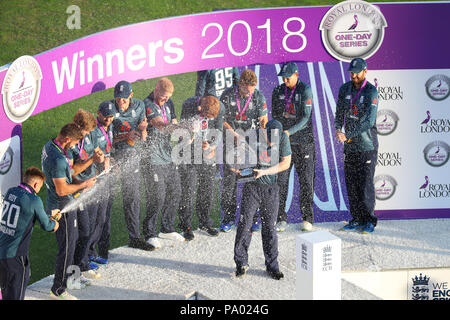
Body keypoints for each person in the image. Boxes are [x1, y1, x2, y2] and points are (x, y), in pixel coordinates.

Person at [41, 122, 96, 300]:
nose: (73, 146)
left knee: (74, 241)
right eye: (72, 143)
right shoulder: (57, 159)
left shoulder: (50, 146)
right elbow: (62, 190)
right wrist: (83, 185)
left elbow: (67, 172)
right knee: (67, 248)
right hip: (61, 207)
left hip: (60, 202)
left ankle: (70, 280)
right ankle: (58, 290)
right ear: (66, 139)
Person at [233, 120, 291, 280]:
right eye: (270, 137)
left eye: (275, 139)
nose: (272, 141)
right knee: (245, 225)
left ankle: (272, 266)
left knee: (270, 227)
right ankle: (241, 263)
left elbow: (285, 163)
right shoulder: (254, 136)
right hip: (252, 187)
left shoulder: (284, 138)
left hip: (271, 188)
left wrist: (265, 172)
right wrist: (237, 165)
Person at [0, 167, 60, 300]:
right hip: (16, 257)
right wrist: (55, 223)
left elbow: (23, 212)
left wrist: (49, 214)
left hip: (2, 253)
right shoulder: (34, 200)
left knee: (6, 293)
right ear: (36, 184)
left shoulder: (11, 192)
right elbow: (48, 226)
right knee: (16, 294)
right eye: (40, 187)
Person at [220, 68, 268, 232]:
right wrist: (232, 133)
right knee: (230, 183)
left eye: (252, 91)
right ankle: (227, 218)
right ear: (240, 84)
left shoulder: (258, 96)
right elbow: (220, 120)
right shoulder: (227, 95)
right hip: (231, 141)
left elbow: (263, 119)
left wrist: (263, 133)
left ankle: (253, 218)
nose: (249, 94)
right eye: (247, 91)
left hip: (250, 143)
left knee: (252, 181)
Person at [334, 58, 379, 234]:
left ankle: (369, 220)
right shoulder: (344, 89)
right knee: (351, 185)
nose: (354, 76)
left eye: (357, 72)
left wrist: (347, 134)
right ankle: (356, 218)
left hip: (367, 146)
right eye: (352, 73)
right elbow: (339, 113)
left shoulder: (371, 91)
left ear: (365, 71)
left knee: (365, 185)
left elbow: (369, 121)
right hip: (350, 146)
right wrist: (338, 129)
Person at [272, 62, 316, 232]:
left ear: (296, 75)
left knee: (305, 182)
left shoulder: (305, 90)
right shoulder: (277, 91)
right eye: (283, 77)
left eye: (288, 77)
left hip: (304, 144)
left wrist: (289, 131)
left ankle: (307, 218)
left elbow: (305, 118)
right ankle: (280, 218)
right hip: (285, 145)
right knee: (281, 182)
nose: (285, 80)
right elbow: (276, 116)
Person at [110, 80, 153, 251]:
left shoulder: (140, 106)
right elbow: (107, 138)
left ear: (131, 96)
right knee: (105, 201)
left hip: (131, 156)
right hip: (112, 158)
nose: (120, 102)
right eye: (118, 98)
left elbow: (143, 127)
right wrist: (126, 136)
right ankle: (92, 250)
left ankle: (134, 237)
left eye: (124, 99)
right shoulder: (110, 110)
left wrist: (142, 130)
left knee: (132, 196)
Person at [141, 78, 185, 248]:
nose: (166, 99)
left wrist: (181, 132)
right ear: (156, 90)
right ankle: (149, 232)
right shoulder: (147, 104)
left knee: (175, 191)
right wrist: (182, 128)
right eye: (163, 96)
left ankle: (166, 228)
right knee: (157, 196)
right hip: (152, 159)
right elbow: (161, 125)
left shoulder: (169, 102)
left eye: (168, 97)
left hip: (168, 157)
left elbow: (173, 122)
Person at [178, 95, 224, 241]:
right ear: (201, 109)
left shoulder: (220, 108)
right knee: (188, 190)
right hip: (189, 153)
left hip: (206, 153)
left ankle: (205, 222)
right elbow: (182, 129)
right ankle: (186, 225)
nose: (208, 118)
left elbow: (219, 130)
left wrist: (211, 144)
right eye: (206, 115)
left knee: (207, 188)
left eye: (211, 116)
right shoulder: (189, 105)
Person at [70, 109, 104, 280]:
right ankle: (74, 273)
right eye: (87, 131)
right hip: (77, 191)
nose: (89, 134)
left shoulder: (89, 136)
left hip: (90, 185)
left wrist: (99, 154)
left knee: (88, 229)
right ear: (78, 127)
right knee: (78, 234)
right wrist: (81, 185)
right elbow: (70, 171)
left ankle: (82, 266)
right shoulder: (70, 142)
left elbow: (96, 149)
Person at [86, 101, 115, 265]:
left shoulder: (108, 127)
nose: (108, 119)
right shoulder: (93, 131)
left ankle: (92, 250)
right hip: (95, 179)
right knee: (93, 217)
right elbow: (92, 151)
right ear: (98, 113)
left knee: (102, 217)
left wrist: (110, 160)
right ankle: (87, 253)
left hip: (105, 178)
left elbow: (107, 150)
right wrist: (102, 158)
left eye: (111, 116)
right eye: (106, 116)